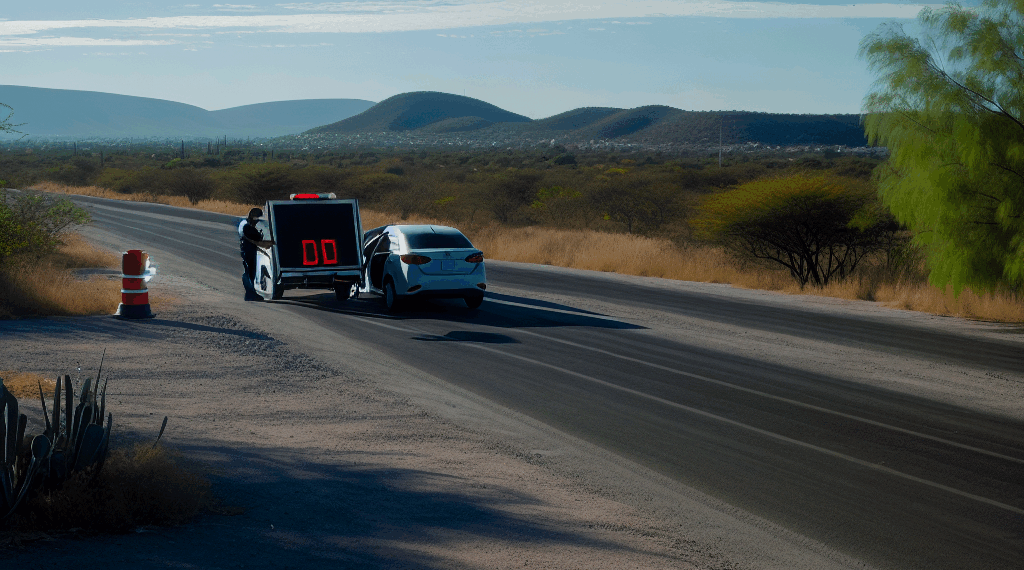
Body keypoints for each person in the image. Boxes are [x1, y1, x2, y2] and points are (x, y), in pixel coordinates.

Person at [238, 207, 265, 299]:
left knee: (252, 272)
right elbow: (254, 236)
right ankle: (250, 293)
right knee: (249, 272)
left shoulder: (247, 225)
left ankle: (251, 292)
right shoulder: (246, 225)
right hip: (247, 251)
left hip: (250, 251)